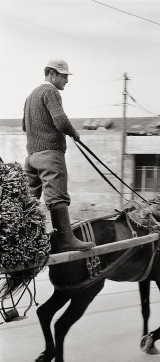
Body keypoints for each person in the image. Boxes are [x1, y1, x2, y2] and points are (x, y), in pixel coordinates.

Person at [22, 58, 95, 252]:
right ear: (52, 74)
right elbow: (61, 120)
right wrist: (74, 133)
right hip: (50, 155)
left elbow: (24, 126)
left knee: (27, 199)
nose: (67, 81)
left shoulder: (31, 96)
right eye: (64, 76)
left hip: (31, 157)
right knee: (57, 197)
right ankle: (65, 240)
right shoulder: (50, 91)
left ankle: (20, 238)